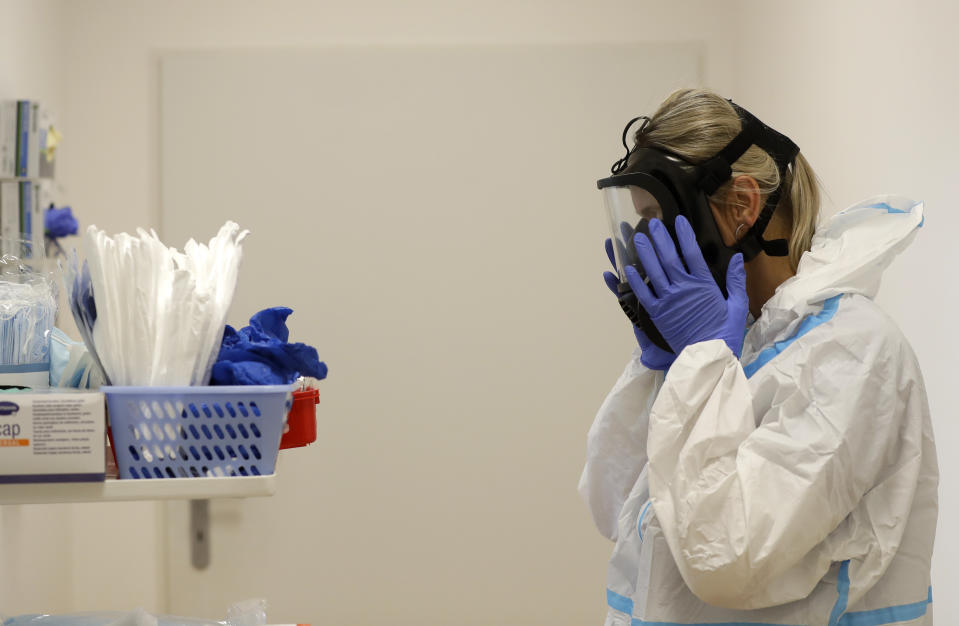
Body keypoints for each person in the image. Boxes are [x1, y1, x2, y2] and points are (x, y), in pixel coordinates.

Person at [579, 88, 938, 625]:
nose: (644, 243)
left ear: (743, 206)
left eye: (658, 217)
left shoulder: (851, 352)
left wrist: (699, 365)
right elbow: (611, 505)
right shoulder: (733, 343)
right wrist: (664, 371)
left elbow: (726, 556)